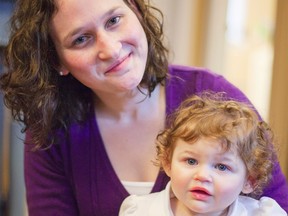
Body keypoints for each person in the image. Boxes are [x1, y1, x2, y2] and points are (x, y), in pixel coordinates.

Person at [0, 0, 287, 215]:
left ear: (136, 11)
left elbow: (277, 201)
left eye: (114, 20)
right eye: (81, 39)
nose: (110, 49)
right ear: (57, 60)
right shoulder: (52, 131)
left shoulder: (216, 96)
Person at [119, 92, 287, 215]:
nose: (202, 176)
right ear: (168, 162)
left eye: (222, 166)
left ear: (250, 180)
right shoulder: (140, 211)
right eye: (191, 161)